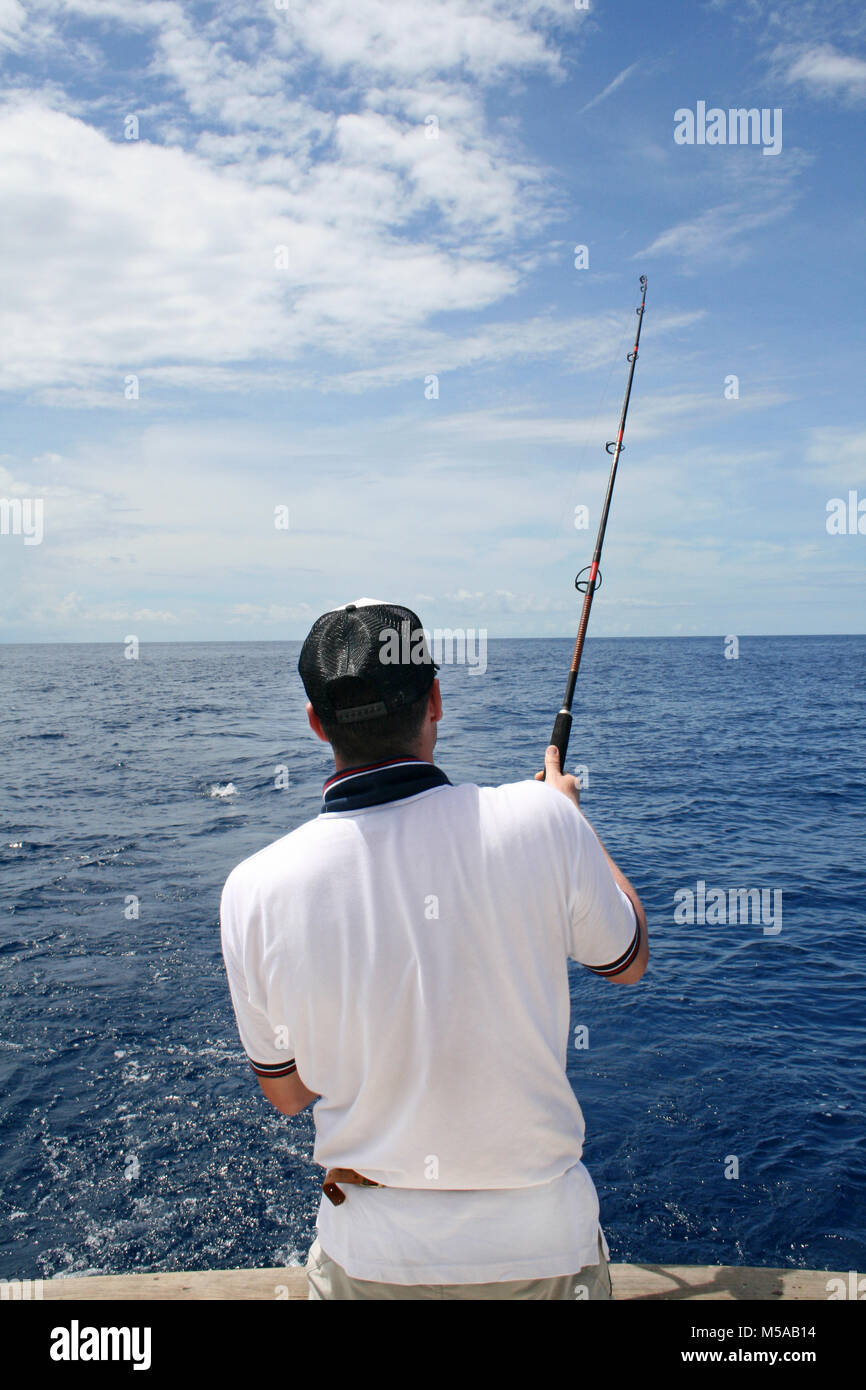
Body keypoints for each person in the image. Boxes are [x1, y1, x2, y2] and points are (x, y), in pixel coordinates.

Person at [220, 598, 648, 1300]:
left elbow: (289, 1094)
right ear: (436, 701)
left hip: (370, 1258)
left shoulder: (252, 889)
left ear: (315, 724)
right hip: (544, 1249)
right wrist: (571, 820)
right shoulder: (541, 821)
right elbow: (628, 960)